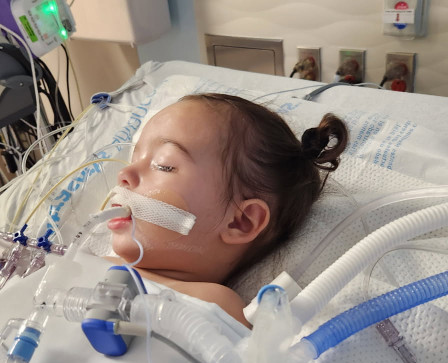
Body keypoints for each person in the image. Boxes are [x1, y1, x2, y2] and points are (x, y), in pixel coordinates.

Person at [107, 92, 348, 325]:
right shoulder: (94, 263)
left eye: (164, 164)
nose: (124, 174)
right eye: (134, 158)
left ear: (240, 222)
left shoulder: (213, 306)